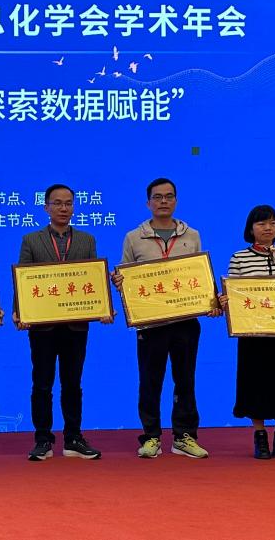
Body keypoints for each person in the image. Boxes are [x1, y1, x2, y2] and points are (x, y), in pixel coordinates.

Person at [113, 177, 219, 459]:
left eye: (169, 196)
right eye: (157, 197)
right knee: (150, 381)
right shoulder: (133, 237)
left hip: (186, 322)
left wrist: (211, 300)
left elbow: (199, 275)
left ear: (176, 201)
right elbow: (126, 276)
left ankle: (184, 436)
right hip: (151, 324)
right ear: (148, 202)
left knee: (185, 380)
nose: (163, 201)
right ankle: (151, 437)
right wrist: (120, 281)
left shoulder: (192, 235)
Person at [17, 184, 111, 462]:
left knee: (73, 383)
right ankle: (43, 439)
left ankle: (73, 438)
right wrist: (19, 312)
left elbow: (93, 279)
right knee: (42, 384)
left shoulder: (86, 240)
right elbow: (23, 279)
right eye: (57, 203)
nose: (63, 208)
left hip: (76, 325)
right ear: (46, 207)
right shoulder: (31, 240)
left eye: (68, 203)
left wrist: (103, 307)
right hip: (42, 326)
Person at [219, 205, 275, 459]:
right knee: (254, 383)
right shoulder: (239, 258)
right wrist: (224, 300)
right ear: (250, 229)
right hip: (252, 335)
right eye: (261, 223)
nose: (268, 228)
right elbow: (233, 293)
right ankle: (259, 437)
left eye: (272, 223)